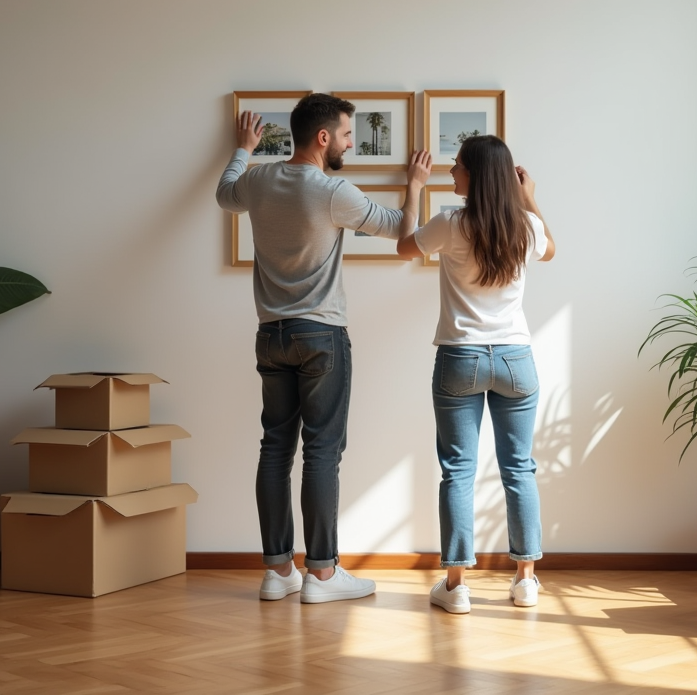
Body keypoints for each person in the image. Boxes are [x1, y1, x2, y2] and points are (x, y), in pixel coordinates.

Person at [217, 93, 432, 603]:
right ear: (322, 138)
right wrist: (417, 185)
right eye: (346, 135)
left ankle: (277, 571)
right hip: (321, 335)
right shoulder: (334, 191)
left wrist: (244, 148)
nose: (350, 144)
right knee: (321, 452)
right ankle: (322, 574)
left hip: (271, 334)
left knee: (275, 448)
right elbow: (403, 232)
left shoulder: (259, 179)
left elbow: (226, 194)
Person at [396, 134, 556, 615]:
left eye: (457, 166)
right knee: (519, 468)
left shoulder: (450, 224)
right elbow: (551, 250)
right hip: (515, 359)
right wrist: (530, 198)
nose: (451, 173)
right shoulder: (525, 226)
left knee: (458, 471)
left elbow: (405, 248)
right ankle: (526, 581)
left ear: (475, 175)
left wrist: (413, 187)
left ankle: (456, 586)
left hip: (460, 358)